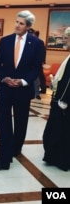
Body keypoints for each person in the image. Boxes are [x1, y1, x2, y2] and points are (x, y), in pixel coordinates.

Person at [0, 10, 44, 171]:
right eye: (16, 22)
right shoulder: (5, 41)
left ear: (28, 26)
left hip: (22, 91)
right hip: (5, 89)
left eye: (21, 23)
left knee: (20, 123)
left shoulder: (37, 44)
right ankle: (3, 159)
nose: (17, 25)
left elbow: (36, 68)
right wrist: (4, 78)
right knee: (3, 123)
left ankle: (16, 149)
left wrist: (24, 81)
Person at [43, 27, 70, 171]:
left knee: (62, 132)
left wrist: (64, 99)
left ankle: (61, 159)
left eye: (66, 38)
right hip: (61, 99)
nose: (64, 40)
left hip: (64, 103)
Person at [31, 30, 47, 99]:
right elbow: (43, 52)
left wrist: (42, 61)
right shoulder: (40, 42)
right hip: (36, 63)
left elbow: (42, 52)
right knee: (38, 78)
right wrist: (43, 61)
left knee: (37, 78)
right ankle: (38, 92)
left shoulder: (38, 42)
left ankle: (37, 93)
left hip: (35, 63)